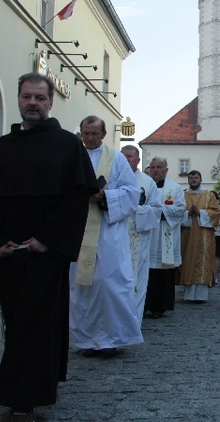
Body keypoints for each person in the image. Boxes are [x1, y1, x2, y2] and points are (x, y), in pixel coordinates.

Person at [0, 73, 96, 420]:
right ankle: (30, 388)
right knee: (15, 322)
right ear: (18, 100)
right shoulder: (2, 147)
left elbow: (76, 200)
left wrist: (46, 240)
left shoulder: (66, 144)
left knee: (36, 324)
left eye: (39, 98)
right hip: (10, 253)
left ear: (50, 102)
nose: (33, 103)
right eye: (27, 97)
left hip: (44, 252)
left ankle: (21, 400)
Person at [70, 116, 142, 358]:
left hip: (108, 232)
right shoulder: (72, 155)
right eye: (86, 133)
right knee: (81, 286)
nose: (90, 138)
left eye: (94, 134)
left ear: (103, 135)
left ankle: (111, 339)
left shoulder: (116, 158)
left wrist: (104, 197)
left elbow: (132, 192)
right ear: (80, 133)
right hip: (78, 230)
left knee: (109, 284)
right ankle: (86, 339)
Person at [121, 145, 162, 329]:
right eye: (123, 156)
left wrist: (136, 210)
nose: (126, 159)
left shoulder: (147, 182)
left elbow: (156, 209)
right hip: (115, 237)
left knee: (136, 280)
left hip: (138, 237)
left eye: (130, 157)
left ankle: (132, 324)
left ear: (138, 160)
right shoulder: (113, 179)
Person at [146, 157, 186, 318]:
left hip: (165, 234)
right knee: (147, 271)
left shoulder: (175, 188)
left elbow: (181, 208)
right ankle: (144, 305)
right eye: (153, 167)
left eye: (159, 167)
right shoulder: (144, 186)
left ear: (166, 170)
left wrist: (158, 210)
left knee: (164, 272)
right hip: (148, 234)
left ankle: (160, 306)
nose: (155, 170)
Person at [179, 170, 220, 302]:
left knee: (202, 261)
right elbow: (176, 213)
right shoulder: (182, 195)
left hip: (204, 236)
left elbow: (216, 213)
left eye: (196, 177)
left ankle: (201, 296)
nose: (193, 180)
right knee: (188, 261)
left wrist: (201, 212)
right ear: (188, 180)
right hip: (187, 235)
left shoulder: (209, 195)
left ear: (200, 180)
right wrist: (188, 213)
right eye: (191, 178)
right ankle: (188, 294)